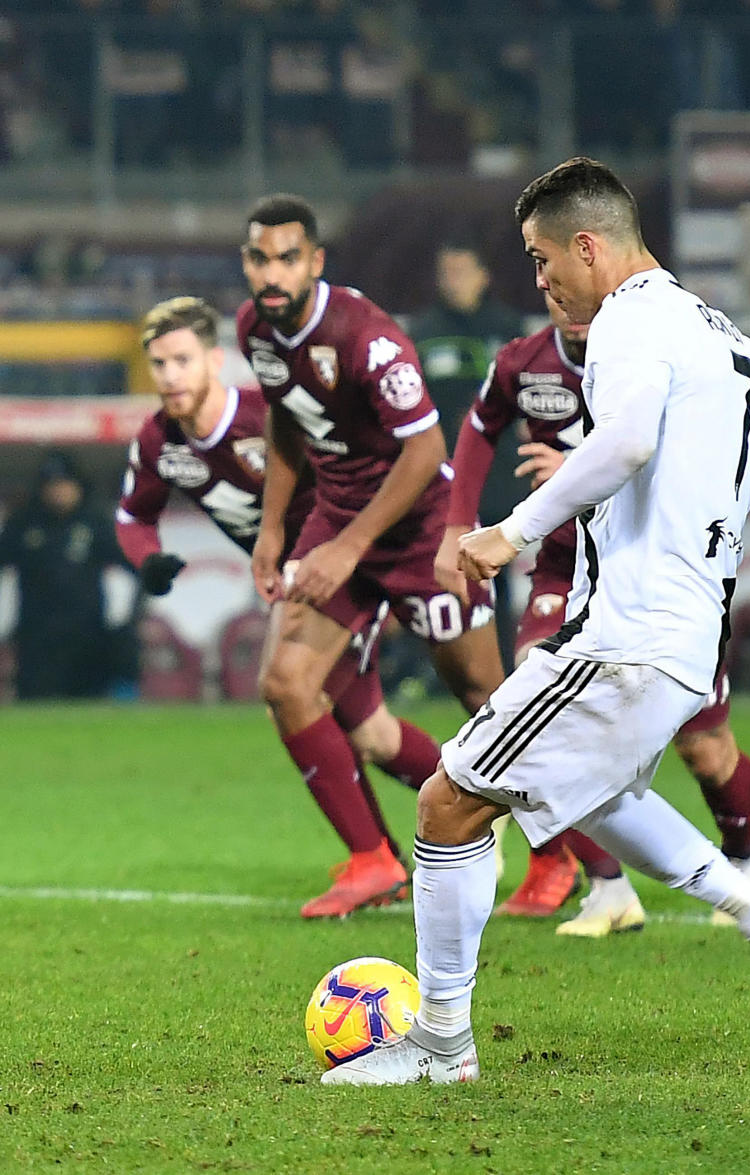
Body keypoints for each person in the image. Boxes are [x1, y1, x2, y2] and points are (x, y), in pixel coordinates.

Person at [321, 157, 750, 1086]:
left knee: (447, 803)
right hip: (684, 650)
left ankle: (441, 1044)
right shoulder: (732, 347)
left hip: (625, 641)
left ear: (589, 247)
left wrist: (512, 531)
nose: (539, 278)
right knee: (599, 794)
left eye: (540, 257)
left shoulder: (628, 325)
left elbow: (630, 439)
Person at [435, 292, 750, 937]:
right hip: (564, 563)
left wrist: (579, 469)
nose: (567, 300)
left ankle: (745, 858)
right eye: (545, 274)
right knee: (541, 698)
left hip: (657, 567)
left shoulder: (665, 357)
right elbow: (479, 426)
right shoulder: (524, 363)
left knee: (704, 748)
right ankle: (607, 886)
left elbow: (674, 455)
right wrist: (456, 523)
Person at [116, 296, 444, 918]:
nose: (170, 376)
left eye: (182, 359)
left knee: (287, 689)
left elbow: (347, 475)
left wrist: (351, 554)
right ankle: (481, 824)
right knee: (370, 734)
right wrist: (148, 559)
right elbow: (133, 515)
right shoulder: (160, 441)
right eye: (158, 363)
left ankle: (378, 856)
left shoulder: (264, 417)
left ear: (215, 359)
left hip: (339, 568)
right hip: (297, 580)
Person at [236, 194, 506, 908]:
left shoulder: (365, 336)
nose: (272, 273)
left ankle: (565, 858)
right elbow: (287, 425)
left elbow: (426, 450)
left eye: (288, 257)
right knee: (287, 683)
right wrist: (274, 531)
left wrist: (349, 548)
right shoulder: (255, 331)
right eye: (259, 258)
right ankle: (373, 859)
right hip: (338, 520)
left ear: (315, 262)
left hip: (418, 526)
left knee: (489, 699)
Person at [409, 241, 527, 669]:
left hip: (498, 473)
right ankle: (435, 667)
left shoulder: (508, 327)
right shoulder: (424, 333)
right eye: (447, 272)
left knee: (498, 572)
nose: (453, 280)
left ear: (484, 275)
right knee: (434, 568)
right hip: (440, 473)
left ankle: (501, 664)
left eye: (462, 270)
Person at [0, 449, 130, 700]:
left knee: (90, 712)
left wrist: (129, 622)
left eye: (64, 484)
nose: (58, 491)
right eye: (51, 485)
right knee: (37, 710)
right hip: (37, 639)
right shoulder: (24, 523)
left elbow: (136, 568)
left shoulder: (94, 522)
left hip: (87, 638)